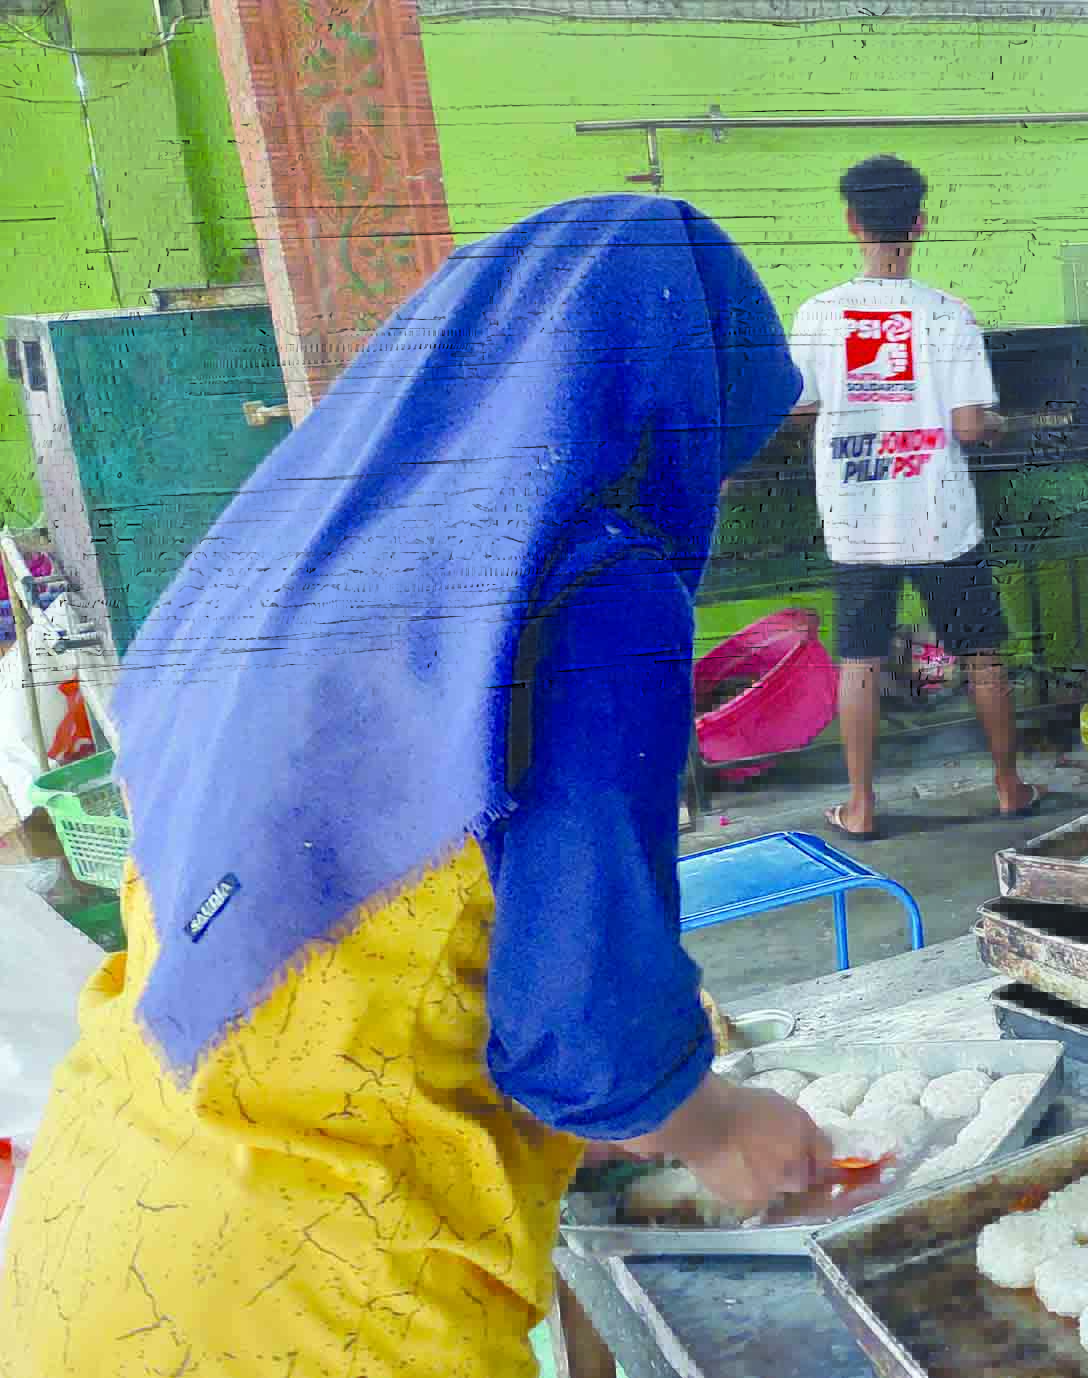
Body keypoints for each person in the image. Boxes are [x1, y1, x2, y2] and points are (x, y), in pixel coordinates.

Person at [0, 196, 827, 1377]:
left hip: (101, 1230)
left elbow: (345, 936)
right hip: (321, 1299)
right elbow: (585, 1043)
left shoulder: (284, 565)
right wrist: (716, 1124)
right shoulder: (597, 590)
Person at [790, 154, 1038, 838]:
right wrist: (991, 423)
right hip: (939, 516)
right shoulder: (948, 316)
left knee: (861, 659)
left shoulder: (818, 315)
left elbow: (800, 407)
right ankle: (1009, 785)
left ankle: (863, 805)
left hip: (857, 515)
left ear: (851, 221)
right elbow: (966, 425)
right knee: (982, 652)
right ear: (920, 223)